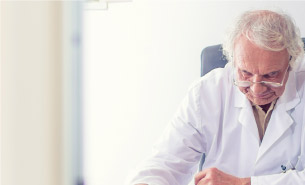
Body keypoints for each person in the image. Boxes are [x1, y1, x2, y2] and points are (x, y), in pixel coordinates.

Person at [125, 9, 305, 185]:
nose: (257, 89)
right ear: (233, 60)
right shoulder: (206, 92)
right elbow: (166, 162)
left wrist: (244, 183)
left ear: (292, 61)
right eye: (245, 73)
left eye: (271, 75)